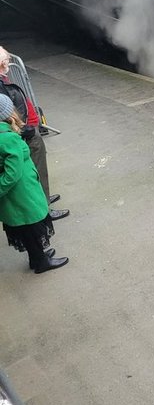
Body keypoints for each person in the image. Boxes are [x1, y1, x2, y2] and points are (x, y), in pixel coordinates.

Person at [0, 94, 67, 273]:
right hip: (21, 196)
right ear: (8, 114)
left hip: (17, 198)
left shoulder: (5, 135)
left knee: (27, 230)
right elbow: (12, 173)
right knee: (31, 229)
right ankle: (40, 262)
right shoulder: (8, 138)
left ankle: (36, 258)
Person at [0, 47, 68, 221]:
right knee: (33, 171)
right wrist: (26, 130)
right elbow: (7, 116)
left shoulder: (3, 79)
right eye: (6, 60)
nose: (9, 63)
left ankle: (44, 195)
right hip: (25, 135)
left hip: (27, 131)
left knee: (38, 170)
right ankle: (44, 208)